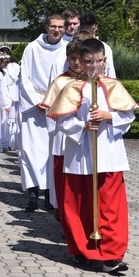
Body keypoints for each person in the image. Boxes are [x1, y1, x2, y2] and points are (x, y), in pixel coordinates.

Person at [46, 38, 137, 273]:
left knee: (110, 206)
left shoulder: (113, 86)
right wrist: (83, 125)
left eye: (98, 60)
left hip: (109, 154)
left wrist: (109, 117)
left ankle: (111, 255)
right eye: (88, 61)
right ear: (81, 63)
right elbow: (62, 120)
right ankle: (82, 251)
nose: (94, 65)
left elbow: (128, 117)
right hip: (80, 154)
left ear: (104, 60)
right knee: (79, 205)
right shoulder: (73, 87)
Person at [18, 14, 68, 212]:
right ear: (46, 27)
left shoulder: (66, 49)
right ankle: (32, 195)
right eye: (53, 26)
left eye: (60, 27)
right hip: (34, 107)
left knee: (51, 153)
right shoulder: (32, 48)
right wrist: (37, 101)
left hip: (56, 106)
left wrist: (54, 102)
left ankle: (50, 196)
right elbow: (25, 78)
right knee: (30, 152)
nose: (57, 30)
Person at [40, 37, 86, 222]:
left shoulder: (90, 81)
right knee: (62, 179)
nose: (76, 63)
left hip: (86, 138)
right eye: (72, 58)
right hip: (62, 139)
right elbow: (51, 114)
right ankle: (62, 213)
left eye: (79, 58)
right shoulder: (60, 82)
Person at [0, 46, 20, 151]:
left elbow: (16, 77)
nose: (5, 63)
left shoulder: (13, 67)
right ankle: (3, 141)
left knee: (11, 119)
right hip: (3, 95)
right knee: (2, 118)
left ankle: (13, 142)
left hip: (12, 94)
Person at [79, 13, 116, 78]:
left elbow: (110, 71)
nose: (90, 32)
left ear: (96, 27)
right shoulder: (76, 46)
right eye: (86, 30)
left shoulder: (105, 47)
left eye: (92, 29)